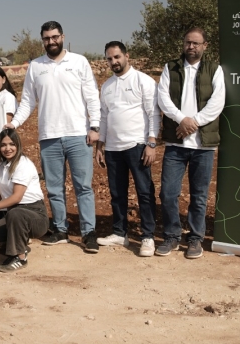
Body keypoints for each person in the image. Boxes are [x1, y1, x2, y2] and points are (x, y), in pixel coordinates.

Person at [9, 21, 101, 253]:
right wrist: (14, 124)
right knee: (54, 188)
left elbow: (92, 96)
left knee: (83, 187)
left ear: (62, 37)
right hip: (49, 137)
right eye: (47, 38)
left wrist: (95, 126)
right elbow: (28, 101)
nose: (51, 41)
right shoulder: (36, 66)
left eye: (55, 37)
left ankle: (89, 233)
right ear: (42, 40)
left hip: (78, 134)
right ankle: (60, 229)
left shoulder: (79, 62)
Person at [156, 26, 225, 259]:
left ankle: (195, 239)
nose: (191, 46)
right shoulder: (171, 67)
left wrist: (193, 122)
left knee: (199, 195)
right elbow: (163, 98)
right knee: (168, 193)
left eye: (196, 43)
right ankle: (172, 236)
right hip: (176, 144)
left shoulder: (214, 69)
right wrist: (181, 120)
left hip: (203, 145)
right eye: (188, 42)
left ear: (205, 45)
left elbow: (217, 102)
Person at [94, 42, 160, 256]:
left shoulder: (143, 81)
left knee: (144, 192)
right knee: (117, 193)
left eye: (117, 57)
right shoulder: (107, 86)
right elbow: (104, 117)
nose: (113, 61)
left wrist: (151, 143)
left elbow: (153, 113)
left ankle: (148, 236)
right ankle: (119, 233)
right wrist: (100, 145)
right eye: (109, 58)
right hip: (113, 149)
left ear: (126, 56)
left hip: (137, 146)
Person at [0, 130, 48, 273]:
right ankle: (20, 245)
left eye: (11, 144)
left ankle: (20, 258)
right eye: (3, 145)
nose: (7, 148)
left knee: (16, 213)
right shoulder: (2, 166)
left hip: (35, 215)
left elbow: (16, 198)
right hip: (14, 216)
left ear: (18, 145)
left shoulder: (23, 164)